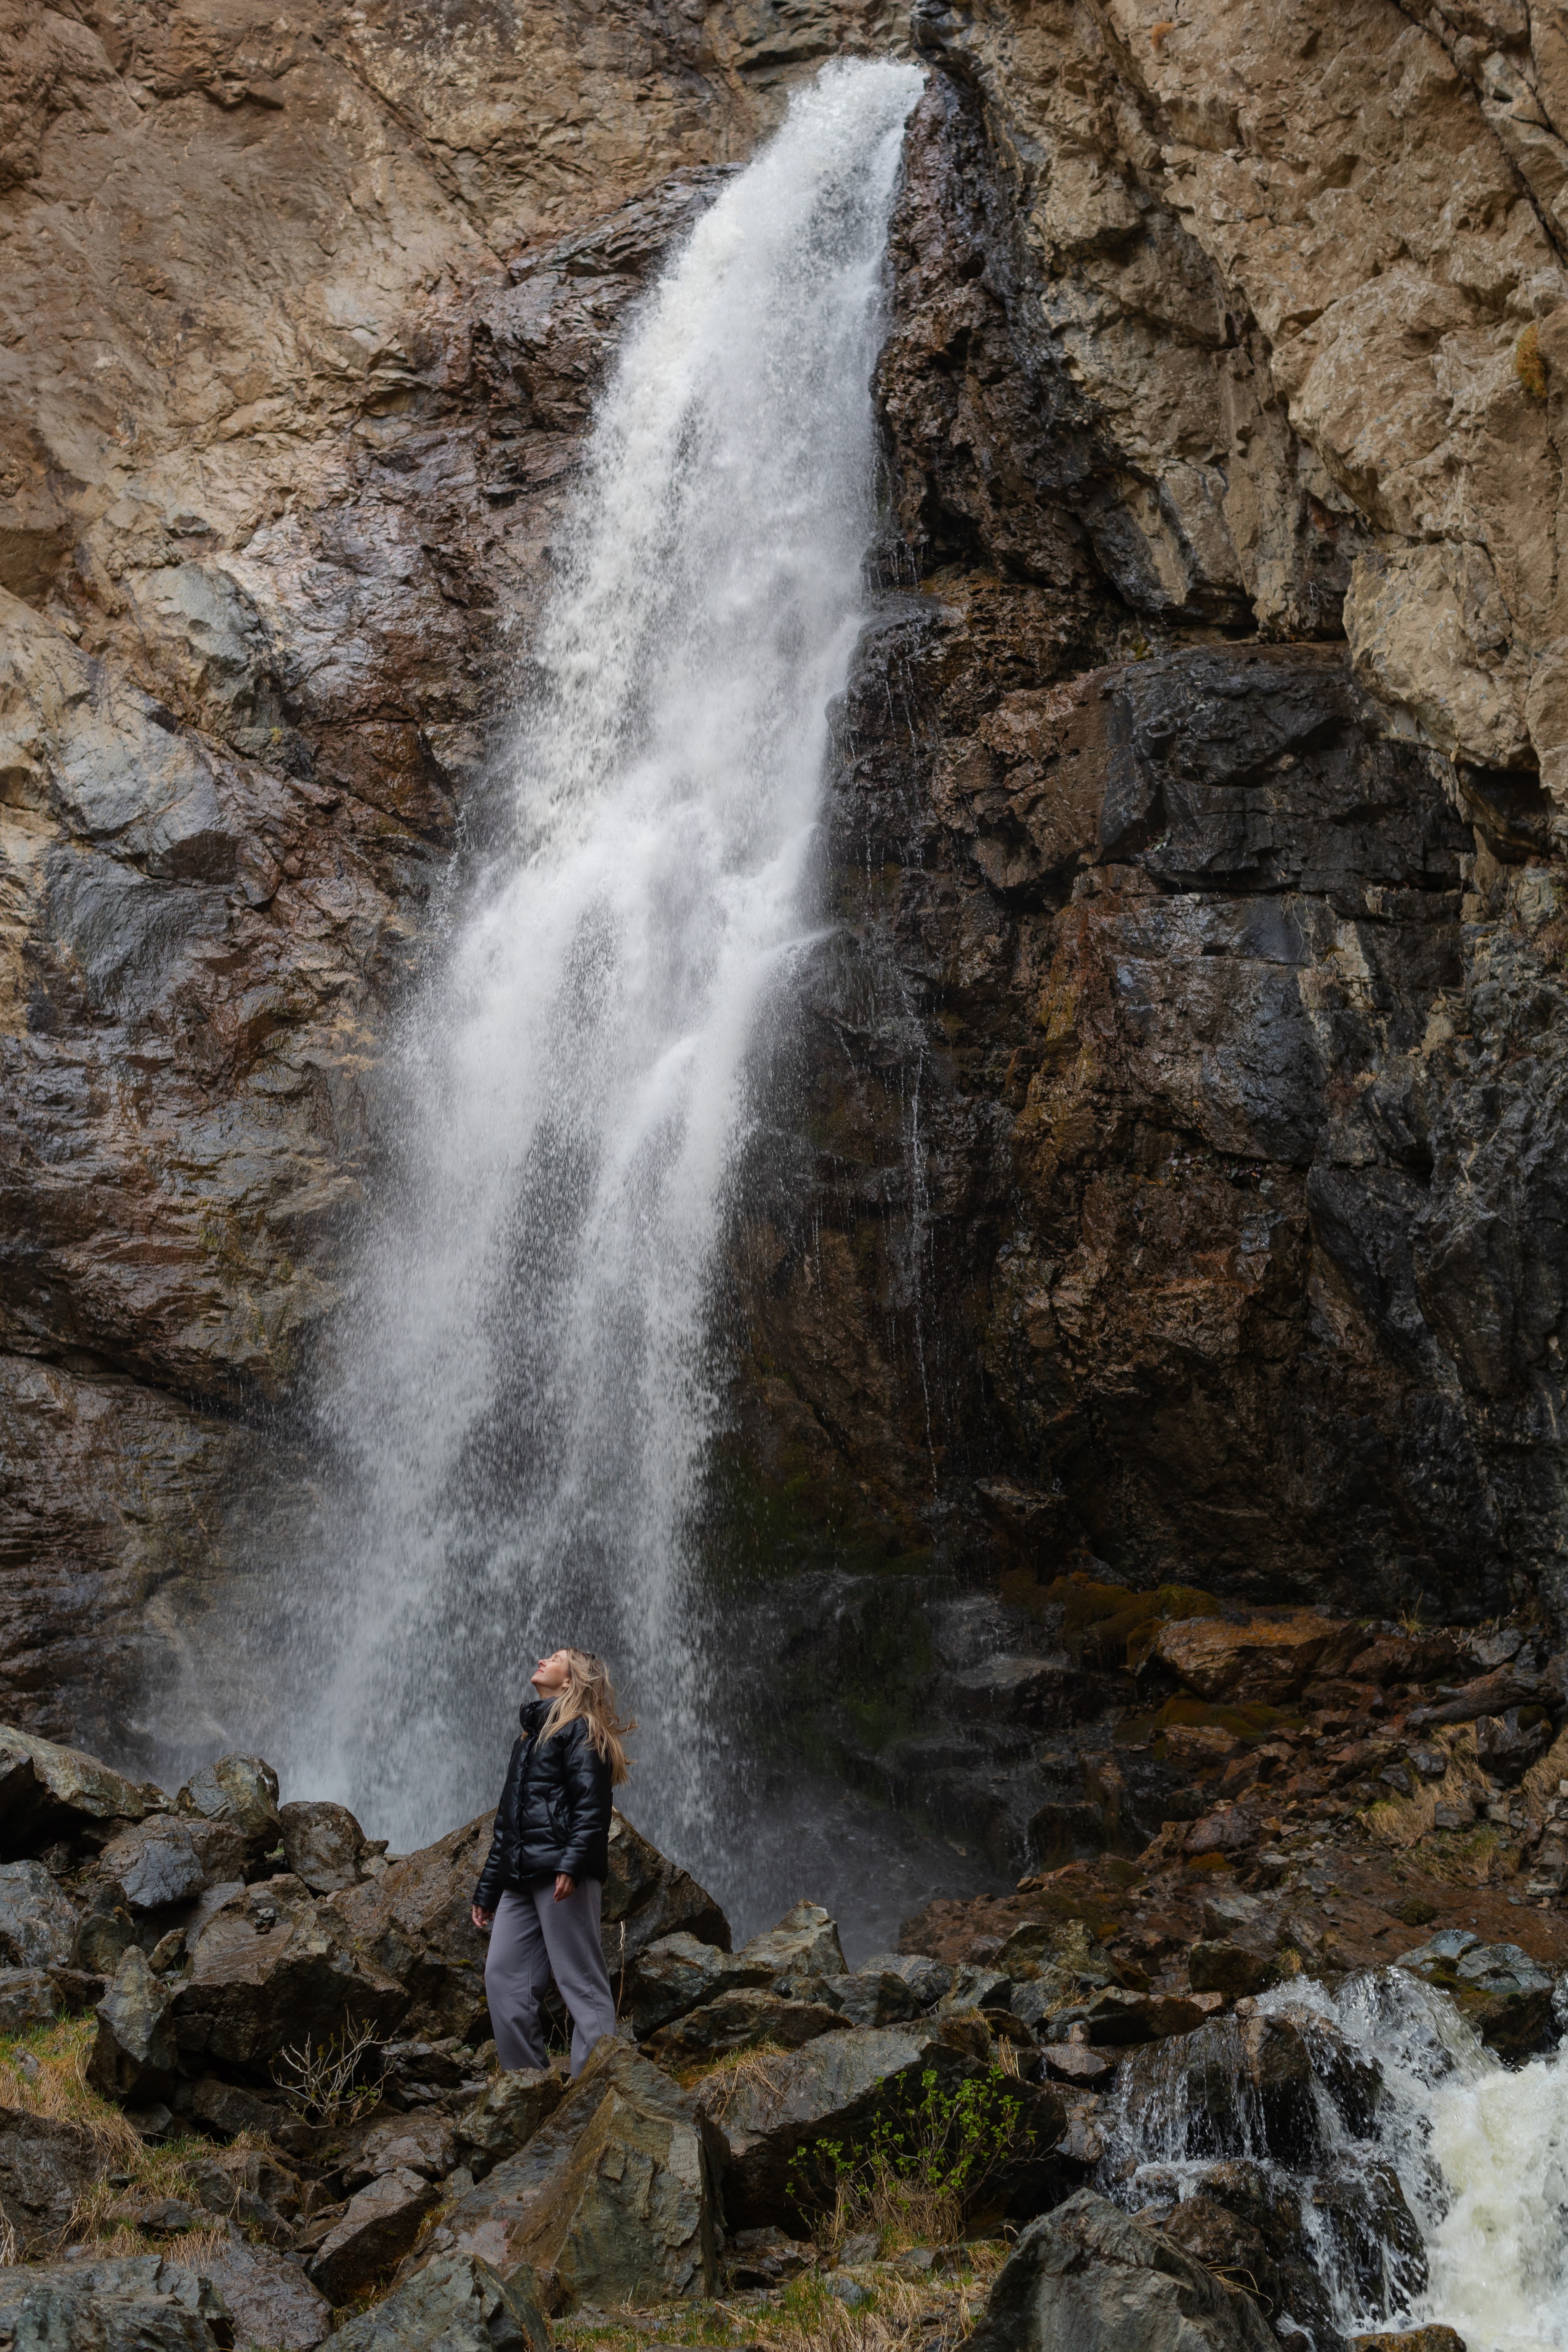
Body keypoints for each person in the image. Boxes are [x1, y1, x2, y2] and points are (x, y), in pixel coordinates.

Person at [470, 1647, 634, 2075]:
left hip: (563, 1873)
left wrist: (573, 1864)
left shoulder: (582, 1730)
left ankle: (593, 2091)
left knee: (580, 1982)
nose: (542, 1659)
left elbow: (592, 1807)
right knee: (503, 1978)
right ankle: (529, 2088)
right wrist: (489, 1887)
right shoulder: (526, 1740)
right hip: (519, 1878)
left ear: (571, 1681)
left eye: (556, 1658)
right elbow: (507, 1820)